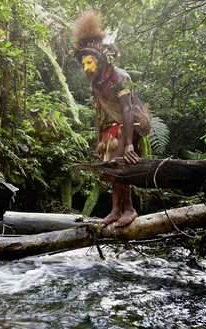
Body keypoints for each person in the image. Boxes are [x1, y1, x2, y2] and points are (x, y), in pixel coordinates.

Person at [71, 10, 151, 227]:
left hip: (126, 127)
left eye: (89, 62)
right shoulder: (96, 81)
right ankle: (115, 209)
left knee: (119, 168)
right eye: (84, 63)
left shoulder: (118, 76)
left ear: (100, 59)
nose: (86, 67)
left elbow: (127, 110)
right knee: (110, 170)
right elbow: (99, 112)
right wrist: (99, 140)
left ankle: (129, 208)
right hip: (108, 131)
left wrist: (128, 145)